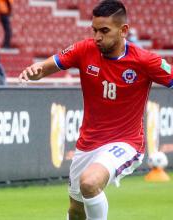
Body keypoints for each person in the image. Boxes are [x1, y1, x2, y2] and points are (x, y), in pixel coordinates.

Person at [19, 0, 172, 219]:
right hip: (88, 144)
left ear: (123, 30)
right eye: (95, 30)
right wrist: (36, 70)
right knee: (76, 210)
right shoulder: (84, 49)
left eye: (104, 31)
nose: (98, 36)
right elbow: (46, 67)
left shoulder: (145, 61)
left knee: (90, 183)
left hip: (125, 142)